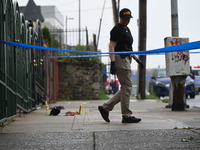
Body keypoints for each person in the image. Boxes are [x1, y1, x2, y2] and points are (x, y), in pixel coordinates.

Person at [98, 8, 144, 123]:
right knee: (127, 87)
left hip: (127, 59)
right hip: (120, 59)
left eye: (128, 19)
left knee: (125, 88)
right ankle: (126, 115)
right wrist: (113, 62)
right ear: (120, 18)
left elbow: (128, 48)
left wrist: (136, 59)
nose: (127, 21)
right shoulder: (117, 29)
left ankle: (105, 108)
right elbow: (112, 46)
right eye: (125, 19)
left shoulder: (126, 29)